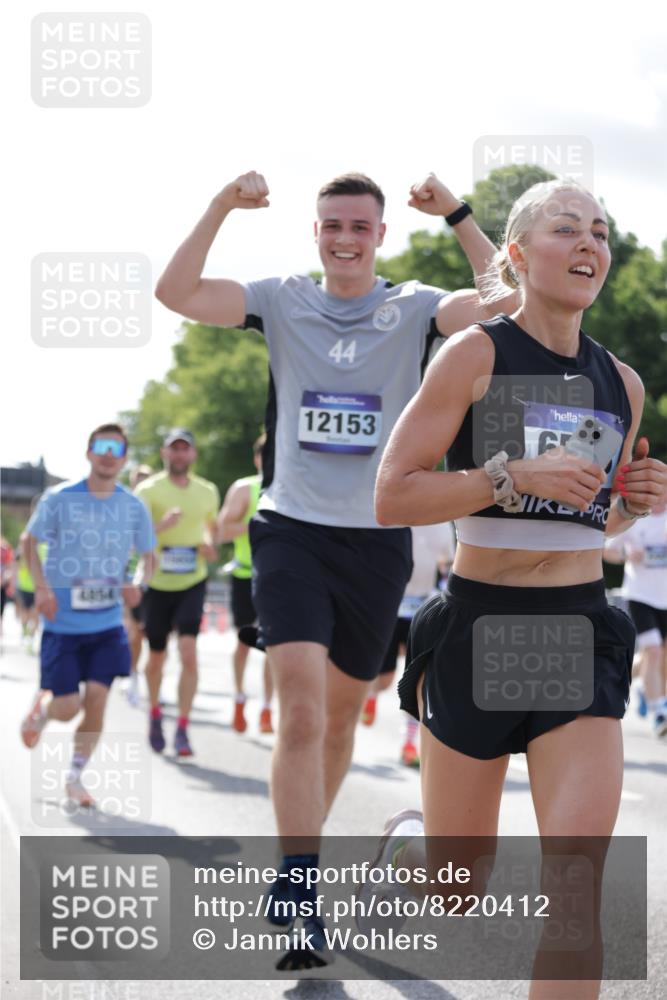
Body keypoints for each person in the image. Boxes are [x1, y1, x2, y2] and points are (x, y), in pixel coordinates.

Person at [155, 169, 519, 967]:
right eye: (331, 226)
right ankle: (297, 880)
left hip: (377, 537)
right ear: (315, 233)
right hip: (290, 530)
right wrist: (220, 204)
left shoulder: (416, 306)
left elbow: (507, 300)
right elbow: (176, 292)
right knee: (303, 712)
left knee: (343, 718)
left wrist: (457, 214)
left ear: (380, 235)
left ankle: (300, 868)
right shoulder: (281, 299)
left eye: (358, 226)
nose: (344, 239)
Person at [366, 179, 667, 997]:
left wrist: (631, 505)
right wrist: (506, 474)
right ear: (515, 255)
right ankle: (412, 850)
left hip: (575, 625)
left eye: (600, 233)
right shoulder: (475, 354)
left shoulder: (622, 382)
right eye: (565, 229)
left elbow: (592, 523)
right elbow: (392, 494)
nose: (588, 245)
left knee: (575, 895)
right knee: (455, 892)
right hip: (479, 626)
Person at [19, 424, 156, 807]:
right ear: (89, 452)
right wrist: (43, 588)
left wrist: (138, 585)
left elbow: (149, 557)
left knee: (97, 698)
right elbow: (29, 541)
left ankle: (75, 777)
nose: (109, 453)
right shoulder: (60, 498)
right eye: (102, 446)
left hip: (107, 622)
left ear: (125, 457)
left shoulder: (133, 506)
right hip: (62, 624)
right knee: (67, 707)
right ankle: (43, 714)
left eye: (117, 448)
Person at [135, 429, 220, 757]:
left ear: (193, 455)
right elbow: (134, 535)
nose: (180, 455)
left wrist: (210, 544)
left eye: (185, 449)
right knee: (156, 656)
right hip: (157, 582)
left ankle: (183, 727)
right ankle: (155, 713)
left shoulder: (207, 491)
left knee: (188, 652)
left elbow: (213, 527)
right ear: (164, 453)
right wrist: (161, 528)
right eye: (174, 449)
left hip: (192, 580)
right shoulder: (148, 490)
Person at [360, 521, 455, 768]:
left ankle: (409, 744)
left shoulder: (443, 525)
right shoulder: (397, 518)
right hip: (391, 605)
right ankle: (370, 694)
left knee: (419, 682)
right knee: (385, 678)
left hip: (423, 609)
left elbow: (447, 565)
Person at [216, 434, 274, 734]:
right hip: (245, 576)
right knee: (243, 643)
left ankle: (267, 708)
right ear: (257, 459)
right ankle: (239, 699)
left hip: (278, 577)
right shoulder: (244, 488)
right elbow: (222, 530)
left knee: (275, 646)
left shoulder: (292, 488)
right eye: (265, 454)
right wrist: (256, 521)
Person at [604, 501, 667, 735]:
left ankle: (641, 686)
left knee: (661, 656)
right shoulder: (637, 516)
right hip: (640, 596)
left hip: (665, 598)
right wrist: (627, 554)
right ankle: (659, 712)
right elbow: (607, 550)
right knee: (654, 651)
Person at [124, 464, 155, 705]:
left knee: (148, 635)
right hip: (128, 578)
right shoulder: (125, 508)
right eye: (139, 480)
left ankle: (149, 678)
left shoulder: (152, 509)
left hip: (153, 578)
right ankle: (132, 676)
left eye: (148, 479)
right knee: (133, 632)